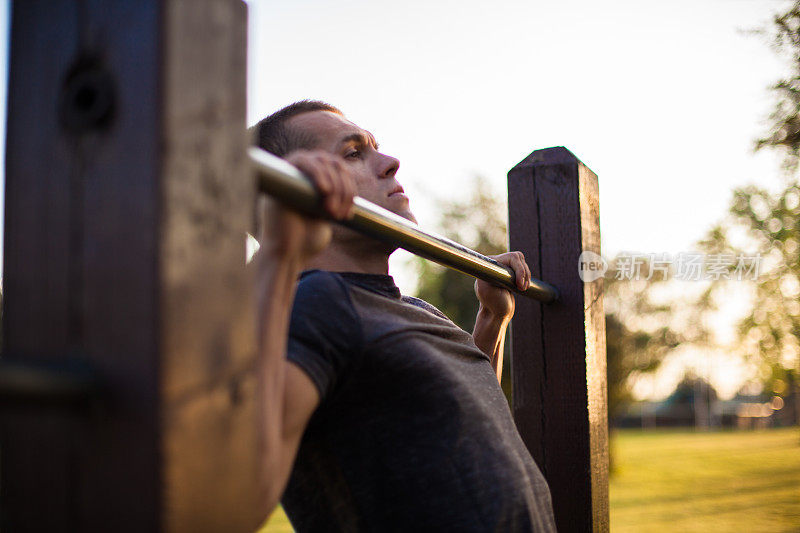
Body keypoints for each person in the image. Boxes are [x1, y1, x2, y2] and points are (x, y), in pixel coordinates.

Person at [253, 100, 556, 532]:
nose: (391, 163)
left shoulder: (409, 308)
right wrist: (279, 251)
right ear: (296, 188)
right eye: (353, 153)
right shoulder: (315, 305)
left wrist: (493, 318)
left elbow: (463, 408)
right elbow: (246, 482)